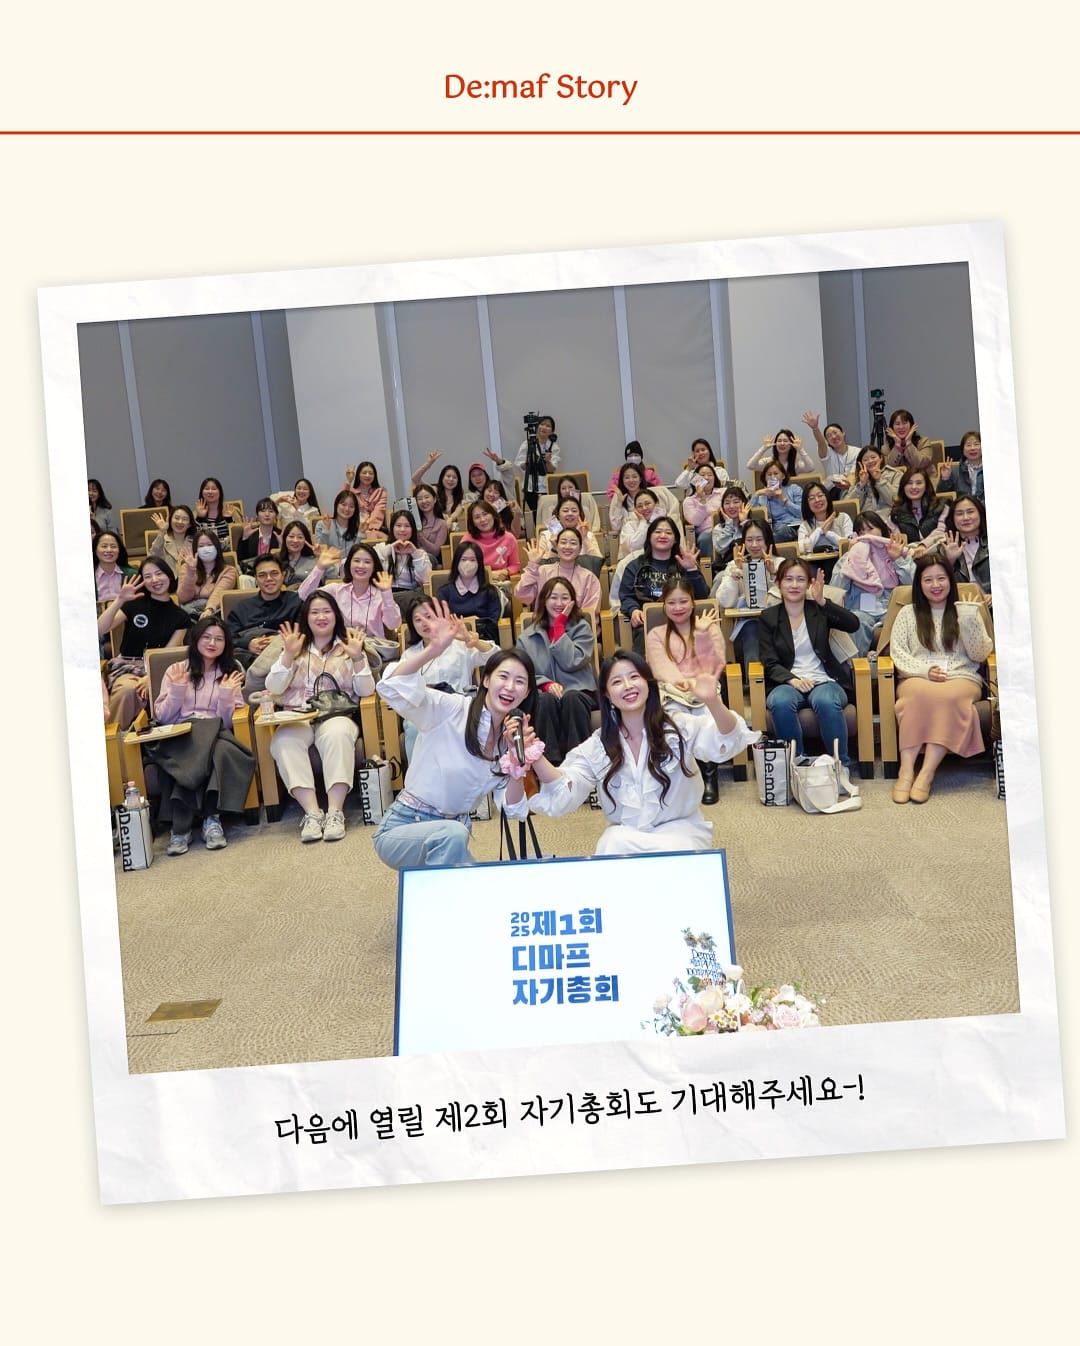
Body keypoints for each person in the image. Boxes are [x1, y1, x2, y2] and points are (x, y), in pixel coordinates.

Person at [506, 650, 757, 855]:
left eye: (634, 677)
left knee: (678, 853)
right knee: (609, 845)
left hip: (680, 829)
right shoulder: (601, 743)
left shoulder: (677, 726)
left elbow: (726, 740)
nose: (627, 686)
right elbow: (566, 785)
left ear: (648, 683)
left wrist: (712, 700)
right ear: (607, 694)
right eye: (617, 681)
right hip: (627, 833)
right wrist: (535, 755)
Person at [373, 602, 539, 870]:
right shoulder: (452, 708)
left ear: (527, 692)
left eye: (520, 682)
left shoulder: (508, 739)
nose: (510, 687)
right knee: (453, 834)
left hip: (450, 836)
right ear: (486, 680)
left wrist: (517, 766)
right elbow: (390, 687)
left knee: (481, 886)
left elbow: (514, 810)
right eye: (503, 677)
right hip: (403, 827)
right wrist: (432, 651)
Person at [265, 592, 376, 842]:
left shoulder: (349, 645)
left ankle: (335, 812)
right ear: (306, 617)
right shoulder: (295, 646)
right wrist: (288, 655)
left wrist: (357, 657)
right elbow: (273, 687)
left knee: (337, 734)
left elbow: (366, 691)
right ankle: (313, 814)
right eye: (314, 612)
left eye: (326, 611)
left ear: (336, 615)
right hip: (298, 715)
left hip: (337, 714)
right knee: (284, 740)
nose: (321, 617)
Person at [889, 555, 994, 803]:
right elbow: (898, 652)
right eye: (928, 580)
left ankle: (926, 773)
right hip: (917, 677)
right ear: (919, 584)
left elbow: (979, 655)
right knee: (917, 695)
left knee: (947, 697)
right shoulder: (907, 613)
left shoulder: (967, 609)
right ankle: (906, 771)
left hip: (960, 677)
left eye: (941, 578)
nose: (935, 585)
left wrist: (968, 621)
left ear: (950, 580)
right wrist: (924, 670)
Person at [149, 616, 255, 856]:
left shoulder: (230, 672)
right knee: (211, 750)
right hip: (181, 733)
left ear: (226, 644)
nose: (212, 643)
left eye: (219, 639)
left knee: (218, 748)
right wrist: (177, 690)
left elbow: (229, 722)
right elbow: (163, 717)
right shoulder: (176, 670)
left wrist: (226, 695)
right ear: (196, 639)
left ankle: (186, 827)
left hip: (216, 732)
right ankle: (209, 819)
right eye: (206, 637)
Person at [757, 558, 862, 778]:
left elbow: (853, 624)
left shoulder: (818, 610)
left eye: (800, 579)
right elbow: (769, 661)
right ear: (778, 583)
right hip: (788, 682)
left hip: (824, 680)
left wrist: (822, 600)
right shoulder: (769, 617)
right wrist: (792, 679)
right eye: (788, 579)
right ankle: (797, 765)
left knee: (825, 700)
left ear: (808, 584)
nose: (794, 585)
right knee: (780, 702)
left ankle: (840, 765)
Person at [644, 578, 728, 803]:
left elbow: (714, 665)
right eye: (671, 603)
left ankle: (709, 777)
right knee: (675, 722)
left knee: (708, 719)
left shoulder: (708, 628)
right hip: (673, 691)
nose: (678, 607)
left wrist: (702, 634)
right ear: (664, 605)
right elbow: (660, 667)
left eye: (683, 601)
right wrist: (683, 682)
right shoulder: (656, 634)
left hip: (705, 690)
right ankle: (682, 777)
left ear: (692, 603)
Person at [394, 600, 496, 761]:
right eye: (418, 619)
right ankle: (421, 775)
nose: (424, 623)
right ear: (412, 625)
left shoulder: (460, 645)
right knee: (412, 727)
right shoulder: (410, 655)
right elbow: (401, 686)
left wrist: (474, 641)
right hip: (426, 711)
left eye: (428, 616)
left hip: (460, 708)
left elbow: (495, 658)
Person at [98, 557, 192, 727]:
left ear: (169, 575)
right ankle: (113, 736)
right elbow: (100, 629)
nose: (154, 580)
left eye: (159, 573)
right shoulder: (134, 604)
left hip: (156, 668)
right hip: (126, 666)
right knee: (128, 690)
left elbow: (166, 655)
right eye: (148, 576)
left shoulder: (181, 617)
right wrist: (119, 600)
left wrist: (150, 677)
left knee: (154, 691)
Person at [515, 577, 598, 765]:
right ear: (544, 600)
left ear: (572, 602)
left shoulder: (582, 628)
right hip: (543, 694)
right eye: (553, 597)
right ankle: (549, 765)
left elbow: (572, 661)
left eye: (564, 598)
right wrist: (545, 684)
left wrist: (559, 627)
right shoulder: (528, 637)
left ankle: (580, 764)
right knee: (545, 700)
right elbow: (522, 672)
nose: (559, 603)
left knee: (572, 698)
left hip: (579, 692)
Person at [830, 512, 915, 655]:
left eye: (870, 529)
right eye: (861, 532)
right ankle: (857, 665)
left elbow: (913, 584)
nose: (866, 535)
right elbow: (836, 589)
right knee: (856, 622)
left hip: (890, 608)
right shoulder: (849, 557)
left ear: (882, 530)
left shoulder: (895, 551)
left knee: (900, 621)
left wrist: (897, 560)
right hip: (860, 609)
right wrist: (851, 560)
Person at [621, 516, 708, 654]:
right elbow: (626, 596)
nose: (662, 535)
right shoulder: (635, 566)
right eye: (658, 531)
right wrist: (633, 610)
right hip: (648, 623)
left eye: (668, 532)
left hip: (682, 620)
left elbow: (703, 596)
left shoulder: (684, 564)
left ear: (675, 540)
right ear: (649, 537)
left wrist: (691, 569)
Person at [710, 518, 780, 669]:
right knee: (751, 628)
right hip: (746, 627)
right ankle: (754, 679)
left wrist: (773, 574)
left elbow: (789, 599)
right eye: (749, 540)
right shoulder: (734, 565)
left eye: (759, 539)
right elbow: (724, 602)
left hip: (778, 623)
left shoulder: (780, 563)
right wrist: (736, 573)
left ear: (768, 540)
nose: (754, 545)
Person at [298, 541, 401, 637]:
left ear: (374, 567)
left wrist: (387, 593)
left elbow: (393, 625)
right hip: (341, 645)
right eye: (356, 561)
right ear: (349, 564)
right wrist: (319, 568)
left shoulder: (381, 596)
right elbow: (304, 595)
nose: (361, 566)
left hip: (371, 647)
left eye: (367, 562)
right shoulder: (336, 591)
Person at [227, 554, 303, 666]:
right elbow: (228, 637)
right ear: (256, 579)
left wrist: (279, 640)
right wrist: (248, 643)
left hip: (286, 657)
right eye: (262, 575)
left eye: (274, 573)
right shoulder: (241, 608)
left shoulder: (296, 602)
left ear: (283, 575)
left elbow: (305, 632)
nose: (269, 579)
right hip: (249, 660)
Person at [514, 529, 602, 613]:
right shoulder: (542, 571)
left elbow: (590, 613)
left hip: (576, 623)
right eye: (563, 542)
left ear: (580, 549)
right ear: (556, 547)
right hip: (544, 622)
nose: (567, 547)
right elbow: (521, 595)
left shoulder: (589, 578)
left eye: (573, 543)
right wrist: (533, 565)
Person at [437, 540, 502, 643]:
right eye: (463, 559)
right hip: (454, 641)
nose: (467, 563)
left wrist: (475, 626)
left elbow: (493, 624)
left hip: (482, 641)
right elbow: (441, 624)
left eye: (472, 560)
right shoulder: (444, 593)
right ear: (456, 562)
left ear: (479, 564)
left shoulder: (490, 592)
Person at [375, 509, 433, 617]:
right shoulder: (381, 548)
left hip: (410, 596)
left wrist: (414, 553)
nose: (402, 529)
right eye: (398, 525)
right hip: (384, 594)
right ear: (392, 528)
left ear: (413, 529)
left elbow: (426, 580)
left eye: (407, 526)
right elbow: (371, 566)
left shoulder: (420, 553)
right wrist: (390, 549)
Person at [177, 527, 238, 616]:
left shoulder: (229, 571)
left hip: (214, 611)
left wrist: (209, 609)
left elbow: (219, 594)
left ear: (217, 547)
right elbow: (183, 598)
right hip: (189, 612)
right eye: (201, 546)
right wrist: (191, 571)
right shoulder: (186, 568)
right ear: (196, 550)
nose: (206, 549)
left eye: (209, 545)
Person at [801, 411, 862, 497]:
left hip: (852, 488)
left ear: (843, 433)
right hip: (831, 491)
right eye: (829, 436)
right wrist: (815, 428)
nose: (833, 437)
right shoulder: (827, 452)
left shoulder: (857, 451)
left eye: (835, 432)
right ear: (827, 440)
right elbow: (820, 441)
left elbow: (854, 473)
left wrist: (849, 484)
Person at [797, 481, 853, 571]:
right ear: (806, 504)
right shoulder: (805, 525)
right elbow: (800, 549)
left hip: (841, 563)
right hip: (814, 566)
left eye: (820, 495)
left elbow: (849, 544)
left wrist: (828, 533)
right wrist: (819, 530)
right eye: (812, 498)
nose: (817, 500)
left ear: (826, 497)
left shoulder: (843, 518)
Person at [608, 463, 678, 536]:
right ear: (622, 481)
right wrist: (619, 504)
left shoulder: (651, 494)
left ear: (640, 479)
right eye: (627, 477)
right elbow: (616, 527)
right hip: (630, 538)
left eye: (635, 476)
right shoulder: (618, 496)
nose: (631, 480)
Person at [943, 494, 991, 594]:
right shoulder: (944, 547)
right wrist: (950, 561)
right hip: (962, 600)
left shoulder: (995, 542)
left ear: (980, 513)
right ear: (953, 518)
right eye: (959, 514)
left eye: (970, 512)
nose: (965, 518)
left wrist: (996, 595)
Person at [891, 467, 949, 548]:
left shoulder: (941, 505)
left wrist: (923, 545)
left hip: (937, 550)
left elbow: (941, 532)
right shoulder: (896, 513)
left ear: (926, 486)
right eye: (909, 483)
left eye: (918, 483)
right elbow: (898, 540)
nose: (914, 487)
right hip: (909, 553)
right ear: (903, 486)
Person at [536, 496, 604, 565]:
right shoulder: (546, 536)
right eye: (565, 511)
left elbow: (598, 563)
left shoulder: (588, 535)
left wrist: (585, 538)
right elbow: (541, 565)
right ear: (558, 515)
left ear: (579, 515)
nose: (570, 513)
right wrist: (554, 548)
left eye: (574, 511)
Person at [465, 500, 521, 579]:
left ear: (493, 515)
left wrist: (505, 572)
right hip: (476, 581)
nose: (482, 519)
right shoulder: (467, 540)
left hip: (501, 580)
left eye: (485, 514)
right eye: (477, 517)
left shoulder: (509, 538)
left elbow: (515, 565)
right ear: (473, 523)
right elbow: (463, 568)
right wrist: (489, 574)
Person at [750, 459, 803, 542]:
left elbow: (803, 513)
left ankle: (766, 543)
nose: (772, 477)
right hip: (775, 530)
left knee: (782, 530)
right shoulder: (761, 497)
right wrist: (757, 493)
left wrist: (784, 500)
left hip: (795, 526)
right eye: (769, 474)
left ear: (783, 476)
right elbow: (753, 517)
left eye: (776, 473)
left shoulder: (794, 489)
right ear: (765, 478)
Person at [515, 414, 560, 511]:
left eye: (548, 426)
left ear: (552, 431)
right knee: (535, 514)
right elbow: (520, 465)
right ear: (537, 427)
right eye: (542, 424)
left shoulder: (554, 447)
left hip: (546, 487)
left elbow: (552, 469)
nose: (544, 427)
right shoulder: (527, 444)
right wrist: (528, 462)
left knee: (548, 513)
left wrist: (548, 461)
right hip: (530, 487)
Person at [681, 462, 726, 556]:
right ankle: (712, 565)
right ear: (695, 480)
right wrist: (702, 500)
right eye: (702, 475)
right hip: (707, 533)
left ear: (715, 478)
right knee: (705, 539)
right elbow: (695, 522)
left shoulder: (723, 493)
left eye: (710, 475)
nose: (706, 478)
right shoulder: (689, 501)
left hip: (725, 528)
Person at [536, 474, 602, 532]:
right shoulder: (552, 511)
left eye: (570, 487)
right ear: (560, 492)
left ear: (576, 490)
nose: (567, 491)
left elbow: (591, 530)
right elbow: (554, 533)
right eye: (563, 488)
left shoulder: (585, 510)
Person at [851, 445, 903, 515]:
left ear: (881, 458)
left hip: (889, 517)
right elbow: (850, 508)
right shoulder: (858, 479)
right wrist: (861, 485)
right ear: (861, 463)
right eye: (865, 460)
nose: (870, 461)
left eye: (873, 457)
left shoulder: (895, 474)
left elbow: (895, 501)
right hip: (865, 518)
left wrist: (879, 480)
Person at [616, 487, 664, 561]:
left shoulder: (664, 523)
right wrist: (643, 522)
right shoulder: (629, 525)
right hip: (635, 563)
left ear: (656, 503)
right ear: (635, 509)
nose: (644, 508)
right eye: (639, 506)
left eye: (647, 503)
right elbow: (633, 548)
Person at [342, 461, 388, 537]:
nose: (367, 475)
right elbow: (340, 502)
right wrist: (348, 481)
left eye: (371, 473)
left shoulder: (380, 492)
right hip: (353, 528)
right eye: (364, 473)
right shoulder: (351, 492)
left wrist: (366, 527)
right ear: (358, 475)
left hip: (373, 528)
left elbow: (378, 512)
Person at [710, 486, 752, 570]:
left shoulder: (753, 525)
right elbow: (721, 549)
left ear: (744, 504)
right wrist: (729, 524)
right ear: (722, 507)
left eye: (736, 502)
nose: (731, 506)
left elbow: (755, 543)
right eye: (727, 503)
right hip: (728, 569)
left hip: (751, 565)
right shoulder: (718, 529)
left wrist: (744, 522)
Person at [746, 428, 813, 479]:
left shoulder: (796, 463)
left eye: (785, 441)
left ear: (791, 445)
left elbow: (810, 468)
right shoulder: (769, 462)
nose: (782, 443)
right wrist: (763, 448)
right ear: (775, 444)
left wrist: (800, 449)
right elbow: (750, 465)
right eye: (779, 441)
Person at [314, 489, 360, 562]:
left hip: (348, 566)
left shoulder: (357, 529)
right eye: (343, 504)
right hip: (327, 566)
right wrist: (326, 529)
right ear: (336, 505)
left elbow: (357, 554)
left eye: (351, 506)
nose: (347, 509)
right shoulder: (322, 524)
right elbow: (319, 551)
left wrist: (361, 534)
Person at [236, 498, 283, 569]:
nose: (267, 514)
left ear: (276, 515)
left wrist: (281, 545)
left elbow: (285, 561)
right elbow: (240, 560)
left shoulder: (280, 535)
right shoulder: (250, 533)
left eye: (271, 511)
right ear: (257, 515)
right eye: (263, 511)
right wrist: (245, 539)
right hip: (253, 572)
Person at [149, 504, 197, 573]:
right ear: (170, 520)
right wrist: (162, 531)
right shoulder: (163, 539)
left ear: (190, 524)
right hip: (168, 578)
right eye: (177, 518)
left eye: (184, 519)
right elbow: (152, 558)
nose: (180, 522)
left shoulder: (195, 541)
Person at [93, 530, 136, 604]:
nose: (109, 550)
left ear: (119, 550)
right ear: (95, 550)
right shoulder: (87, 577)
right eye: (104, 546)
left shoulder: (132, 575)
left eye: (113, 546)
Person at [938, 430, 984, 499]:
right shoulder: (954, 471)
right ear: (963, 449)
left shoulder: (993, 468)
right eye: (968, 445)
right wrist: (945, 479)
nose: (972, 448)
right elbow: (942, 497)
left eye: (976, 444)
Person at [277, 520, 320, 589]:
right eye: (291, 536)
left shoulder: (314, 560)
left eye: (300, 537)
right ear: (285, 538)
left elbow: (332, 578)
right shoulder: (277, 560)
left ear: (306, 540)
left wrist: (320, 556)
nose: (295, 540)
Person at [412, 483, 448, 562]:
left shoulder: (441, 524)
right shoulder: (413, 522)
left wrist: (420, 536)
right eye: (420, 499)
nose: (424, 501)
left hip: (432, 561)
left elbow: (436, 551)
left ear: (434, 499)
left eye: (426, 497)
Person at [194, 477, 235, 545]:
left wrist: (229, 519)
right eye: (207, 489)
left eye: (214, 489)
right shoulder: (195, 514)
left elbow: (236, 536)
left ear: (220, 492)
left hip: (227, 550)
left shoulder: (230, 510)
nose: (210, 492)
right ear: (202, 492)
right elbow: (193, 538)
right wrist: (199, 518)